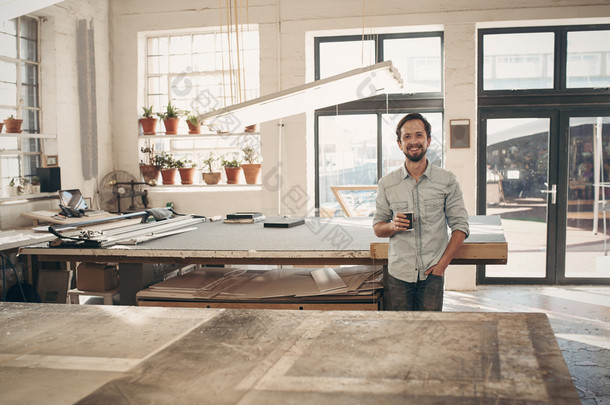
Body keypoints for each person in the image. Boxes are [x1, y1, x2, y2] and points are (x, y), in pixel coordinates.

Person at [373, 113, 469, 311]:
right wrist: (392, 225)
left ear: (428, 140)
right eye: (407, 137)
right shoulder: (387, 184)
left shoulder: (447, 180)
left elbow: (460, 226)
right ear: (399, 144)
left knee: (430, 332)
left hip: (432, 273)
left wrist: (442, 266)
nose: (413, 141)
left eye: (418, 135)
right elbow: (378, 227)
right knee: (403, 333)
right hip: (399, 274)